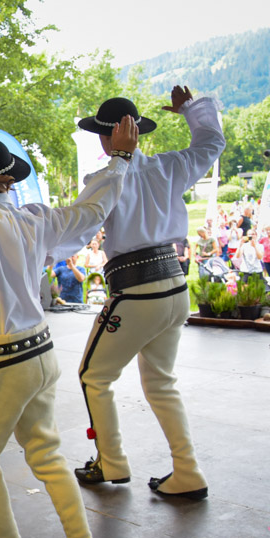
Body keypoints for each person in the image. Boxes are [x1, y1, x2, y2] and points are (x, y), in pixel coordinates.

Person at [0, 122, 136, 538]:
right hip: (41, 353)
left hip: (3, 360)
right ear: (8, 178)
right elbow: (92, 210)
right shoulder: (36, 217)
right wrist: (120, 162)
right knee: (47, 455)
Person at [73, 85, 225, 500]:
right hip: (175, 286)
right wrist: (191, 110)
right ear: (137, 133)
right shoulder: (169, 167)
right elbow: (212, 143)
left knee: (94, 376)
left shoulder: (102, 180)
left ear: (106, 138)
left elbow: (77, 227)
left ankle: (111, 460)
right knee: (161, 383)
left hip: (136, 290)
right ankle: (188, 470)